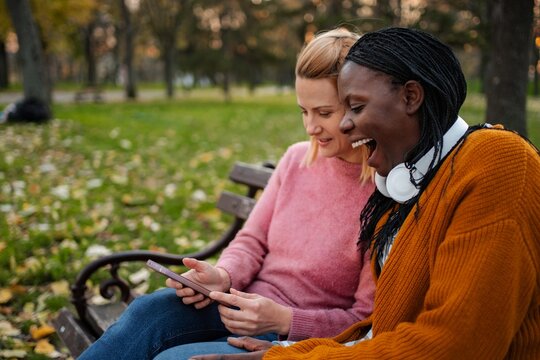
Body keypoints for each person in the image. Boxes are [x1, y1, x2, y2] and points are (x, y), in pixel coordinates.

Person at [176, 27, 540, 359]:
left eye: (356, 107)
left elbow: (458, 345)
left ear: (411, 96)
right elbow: (379, 329)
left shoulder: (497, 160)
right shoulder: (405, 185)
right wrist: (294, 349)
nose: (346, 125)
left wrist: (285, 353)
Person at [77, 28, 376, 360]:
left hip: (288, 340)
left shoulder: (383, 193)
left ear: (356, 106)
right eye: (303, 111)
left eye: (324, 113)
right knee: (149, 311)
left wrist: (285, 320)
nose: (310, 127)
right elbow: (252, 240)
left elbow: (365, 320)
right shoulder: (296, 159)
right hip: (236, 303)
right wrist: (223, 275)